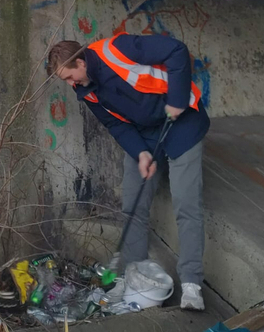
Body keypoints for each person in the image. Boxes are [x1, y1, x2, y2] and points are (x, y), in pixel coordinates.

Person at [47, 33, 209, 311]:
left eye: (69, 76)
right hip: (144, 135)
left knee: (186, 203)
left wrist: (177, 98)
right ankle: (133, 274)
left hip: (181, 122)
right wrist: (141, 153)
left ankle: (192, 284)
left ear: (81, 62)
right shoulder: (86, 91)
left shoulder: (117, 50)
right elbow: (117, 126)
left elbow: (177, 51)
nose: (70, 84)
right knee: (133, 206)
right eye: (66, 81)